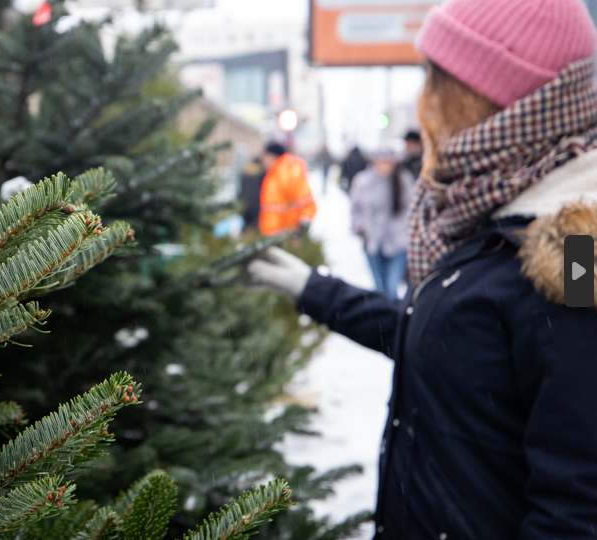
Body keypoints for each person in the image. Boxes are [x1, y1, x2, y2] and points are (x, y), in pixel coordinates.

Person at [247, 0, 597, 538]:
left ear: (502, 101)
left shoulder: (576, 250)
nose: (425, 105)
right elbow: (442, 342)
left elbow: (579, 496)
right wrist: (312, 289)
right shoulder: (486, 212)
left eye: (440, 82)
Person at [349, 150, 415, 298]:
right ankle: (386, 318)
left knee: (392, 287)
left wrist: (406, 231)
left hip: (398, 242)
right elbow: (355, 209)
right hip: (372, 241)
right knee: (379, 288)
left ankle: (394, 318)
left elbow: (411, 208)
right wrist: (361, 229)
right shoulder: (362, 181)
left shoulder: (403, 179)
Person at [258, 142, 316, 236]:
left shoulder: (289, 172)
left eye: (265, 155)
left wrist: (299, 232)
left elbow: (307, 204)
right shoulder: (273, 173)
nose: (263, 159)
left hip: (286, 235)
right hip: (274, 236)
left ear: (272, 156)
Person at [239, 157, 266, 232]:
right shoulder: (262, 173)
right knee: (254, 226)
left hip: (245, 203)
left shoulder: (245, 172)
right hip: (256, 204)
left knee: (246, 224)